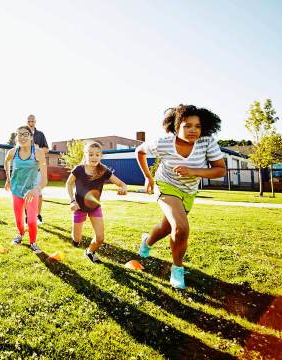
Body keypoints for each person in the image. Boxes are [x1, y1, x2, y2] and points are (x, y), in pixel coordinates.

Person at [135, 104, 226, 289]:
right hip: (166, 186)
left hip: (189, 192)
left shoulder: (207, 142)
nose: (193, 130)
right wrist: (148, 177)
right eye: (187, 125)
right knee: (181, 227)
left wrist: (192, 171)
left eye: (197, 126)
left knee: (166, 228)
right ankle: (177, 270)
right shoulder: (164, 142)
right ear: (176, 126)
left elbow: (220, 170)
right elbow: (140, 151)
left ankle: (147, 241)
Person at [66, 141, 128, 263]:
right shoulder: (78, 169)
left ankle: (89, 251)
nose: (94, 157)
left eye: (97, 154)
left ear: (101, 156)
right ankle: (75, 239)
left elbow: (121, 183)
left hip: (95, 207)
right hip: (79, 207)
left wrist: (123, 187)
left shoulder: (103, 171)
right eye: (91, 154)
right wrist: (72, 200)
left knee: (100, 238)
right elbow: (68, 184)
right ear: (85, 155)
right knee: (77, 239)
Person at [4, 125, 48, 254]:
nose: (22, 137)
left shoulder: (38, 153)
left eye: (25, 134)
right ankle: (20, 233)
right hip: (16, 190)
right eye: (19, 134)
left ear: (31, 136)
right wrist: (8, 178)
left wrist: (36, 189)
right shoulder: (13, 152)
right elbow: (6, 162)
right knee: (18, 218)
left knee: (32, 219)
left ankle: (33, 242)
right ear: (16, 137)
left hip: (31, 192)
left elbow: (44, 180)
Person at [26, 114, 49, 224]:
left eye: (32, 121)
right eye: (29, 121)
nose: (31, 123)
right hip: (26, 168)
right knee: (26, 192)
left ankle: (38, 215)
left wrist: (37, 148)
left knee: (38, 193)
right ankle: (27, 215)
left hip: (38, 168)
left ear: (35, 122)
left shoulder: (40, 134)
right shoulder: (23, 134)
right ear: (27, 121)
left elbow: (47, 149)